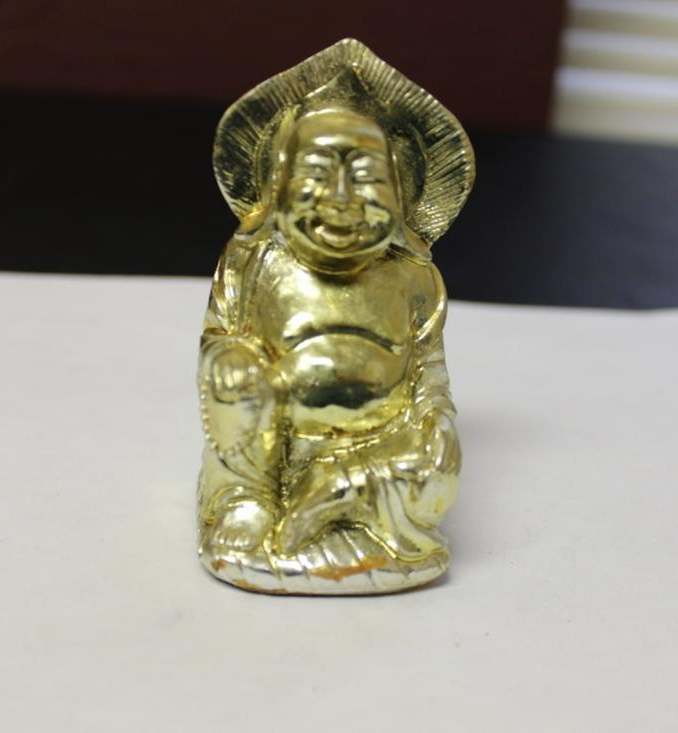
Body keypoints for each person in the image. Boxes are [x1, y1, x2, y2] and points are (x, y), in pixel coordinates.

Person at [198, 40, 474, 594]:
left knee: (438, 474)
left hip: (380, 446)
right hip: (275, 444)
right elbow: (221, 336)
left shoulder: (412, 277)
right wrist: (230, 360)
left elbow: (429, 374)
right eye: (317, 174)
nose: (341, 198)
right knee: (235, 389)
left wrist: (437, 421)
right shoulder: (256, 262)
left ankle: (337, 495)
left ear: (401, 190)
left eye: (367, 177)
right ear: (276, 187)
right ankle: (252, 502)